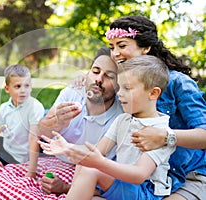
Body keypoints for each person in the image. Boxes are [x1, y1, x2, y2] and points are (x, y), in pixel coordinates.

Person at [73, 15, 206, 199]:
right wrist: (86, 80)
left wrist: (165, 136)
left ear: (146, 47)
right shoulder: (125, 83)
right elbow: (98, 102)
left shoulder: (178, 82)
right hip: (146, 179)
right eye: (112, 47)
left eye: (122, 45)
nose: (115, 53)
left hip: (189, 175)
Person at [39, 55, 175, 199]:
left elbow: (139, 175)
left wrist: (100, 162)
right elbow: (95, 151)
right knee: (87, 163)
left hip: (145, 191)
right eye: (120, 87)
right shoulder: (122, 119)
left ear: (153, 93)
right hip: (121, 184)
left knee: (92, 169)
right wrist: (68, 148)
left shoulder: (159, 132)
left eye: (127, 88)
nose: (120, 94)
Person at [38, 47, 123, 195]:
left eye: (109, 76)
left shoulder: (121, 116)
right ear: (87, 73)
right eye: (95, 71)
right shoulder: (71, 93)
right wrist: (57, 122)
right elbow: (39, 132)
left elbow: (116, 185)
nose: (98, 79)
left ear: (119, 84)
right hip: (52, 157)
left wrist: (65, 188)